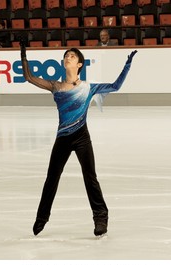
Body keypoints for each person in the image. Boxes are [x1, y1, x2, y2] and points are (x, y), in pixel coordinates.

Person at [20, 39, 137, 237]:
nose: (68, 57)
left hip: (82, 136)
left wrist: (127, 65)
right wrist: (23, 55)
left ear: (79, 64)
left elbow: (115, 86)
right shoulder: (55, 86)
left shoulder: (88, 87)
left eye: (72, 56)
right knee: (51, 179)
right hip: (63, 138)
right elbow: (29, 77)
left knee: (90, 177)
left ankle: (101, 218)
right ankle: (41, 218)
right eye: (66, 55)